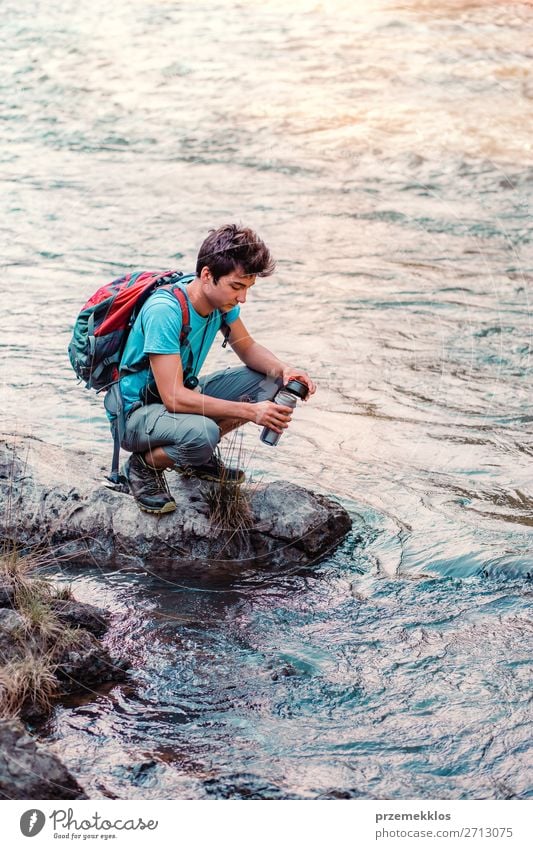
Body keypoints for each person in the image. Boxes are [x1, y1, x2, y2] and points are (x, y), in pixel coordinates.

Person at [116, 223, 316, 515]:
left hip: (177, 404)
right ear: (207, 275)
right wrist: (253, 411)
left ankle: (197, 458)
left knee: (271, 382)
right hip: (137, 415)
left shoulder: (221, 304)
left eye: (248, 288)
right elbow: (174, 398)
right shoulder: (165, 311)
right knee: (203, 432)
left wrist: (285, 371)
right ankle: (143, 466)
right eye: (237, 287)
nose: (243, 298)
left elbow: (247, 348)